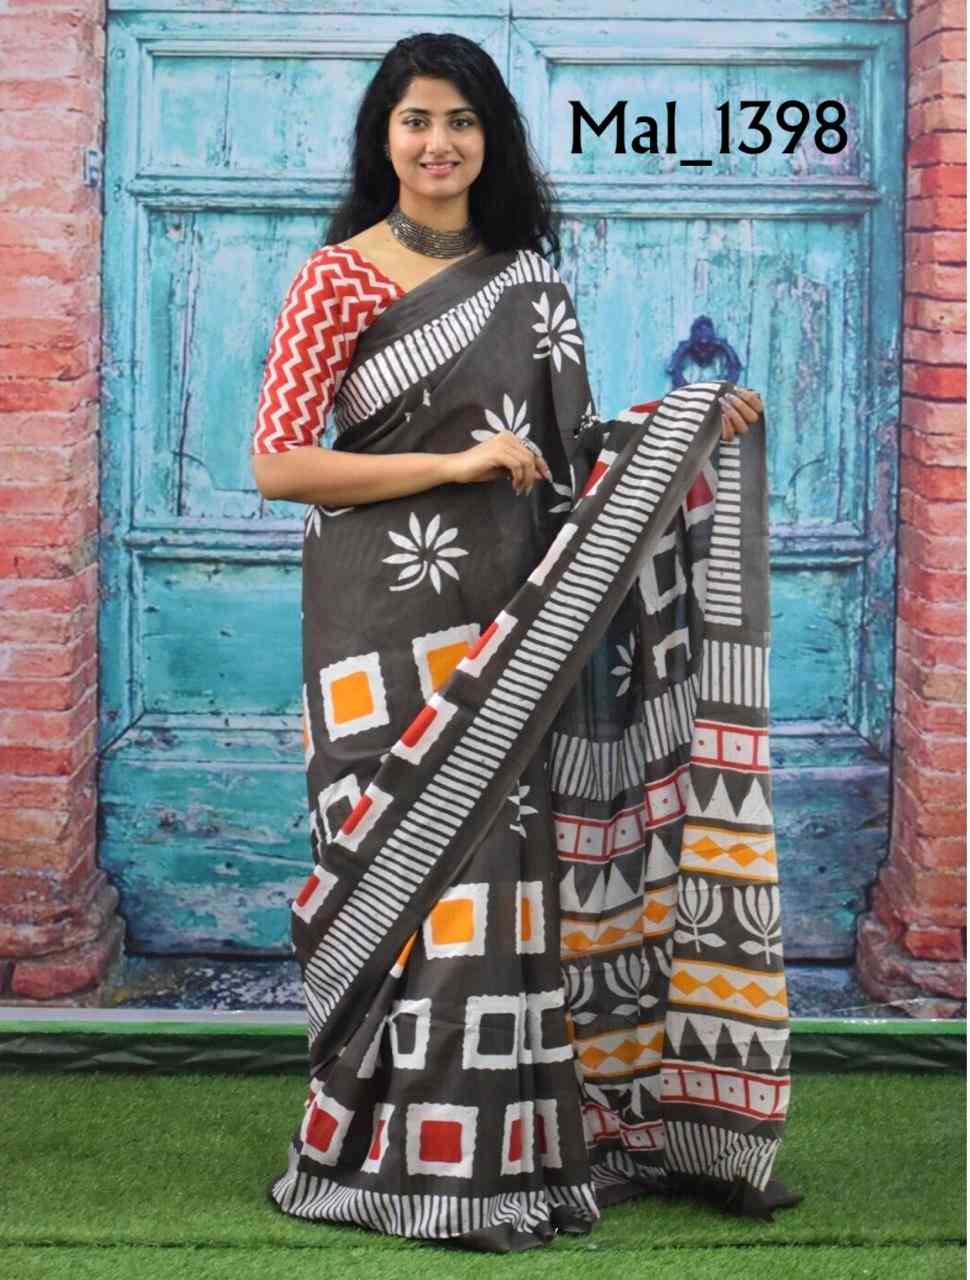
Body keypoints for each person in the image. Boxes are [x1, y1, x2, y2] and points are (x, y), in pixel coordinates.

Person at [251, 31, 802, 1254]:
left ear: (490, 138)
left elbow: (566, 462)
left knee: (499, 878)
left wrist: (689, 424)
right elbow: (279, 462)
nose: (437, 143)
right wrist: (451, 464)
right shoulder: (336, 277)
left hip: (512, 612)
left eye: (460, 120)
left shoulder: (529, 280)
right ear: (382, 137)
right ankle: (381, 1147)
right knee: (407, 874)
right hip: (380, 619)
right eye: (415, 120)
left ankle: (501, 1147)